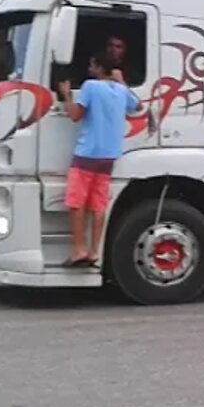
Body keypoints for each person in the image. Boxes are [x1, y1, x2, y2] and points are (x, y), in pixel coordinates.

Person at [56, 51, 140, 267]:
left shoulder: (90, 87)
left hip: (87, 153)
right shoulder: (121, 90)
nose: (89, 68)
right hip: (109, 155)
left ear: (97, 67)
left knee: (77, 202)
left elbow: (75, 115)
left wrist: (66, 95)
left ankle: (78, 250)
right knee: (98, 204)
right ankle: (94, 251)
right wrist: (122, 82)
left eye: (92, 64)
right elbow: (137, 106)